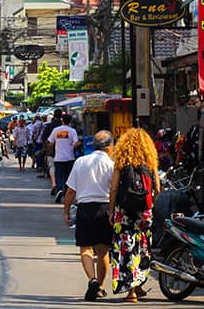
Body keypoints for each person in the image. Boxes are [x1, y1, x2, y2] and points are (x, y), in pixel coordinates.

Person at [62, 130, 115, 301]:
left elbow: (70, 190)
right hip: (105, 209)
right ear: (110, 147)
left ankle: (92, 280)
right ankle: (99, 286)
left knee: (85, 248)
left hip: (84, 209)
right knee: (103, 251)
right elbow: (115, 190)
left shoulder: (80, 162)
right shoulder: (112, 164)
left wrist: (65, 210)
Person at [108, 128, 160, 303]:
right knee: (142, 246)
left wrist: (111, 209)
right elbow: (158, 189)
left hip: (124, 212)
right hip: (144, 212)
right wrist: (149, 204)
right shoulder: (150, 162)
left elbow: (114, 188)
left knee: (125, 248)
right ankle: (139, 285)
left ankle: (131, 292)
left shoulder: (121, 163)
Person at [48, 113, 81, 203]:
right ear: (70, 121)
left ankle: (59, 189)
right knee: (68, 176)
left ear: (62, 120)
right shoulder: (72, 131)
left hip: (59, 158)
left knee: (58, 175)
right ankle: (66, 193)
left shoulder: (56, 130)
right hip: (70, 157)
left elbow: (50, 143)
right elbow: (76, 143)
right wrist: (74, 146)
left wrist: (50, 151)